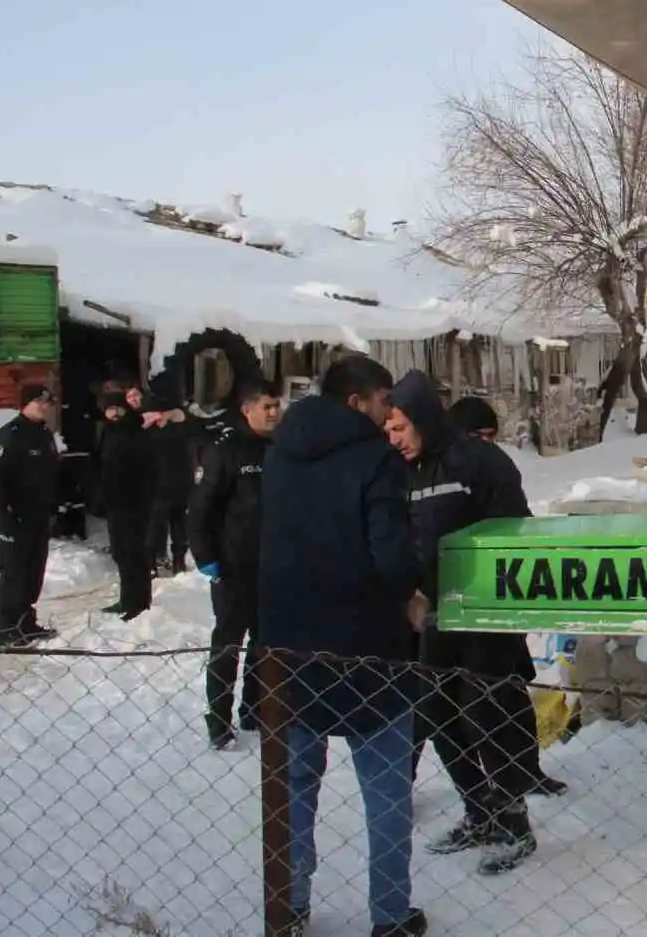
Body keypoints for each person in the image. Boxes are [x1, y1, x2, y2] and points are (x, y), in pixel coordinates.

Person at [257, 356, 428, 937]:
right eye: (383, 401)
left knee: (294, 789)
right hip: (367, 651)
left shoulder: (279, 454)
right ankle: (391, 916)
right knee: (386, 793)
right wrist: (412, 587)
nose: (388, 415)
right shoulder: (376, 460)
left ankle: (289, 905)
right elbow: (392, 558)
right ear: (357, 401)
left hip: (288, 653)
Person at [386, 371, 561, 875]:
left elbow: (514, 534)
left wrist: (487, 593)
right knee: (439, 715)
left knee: (484, 714)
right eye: (388, 429)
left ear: (420, 418)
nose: (392, 438)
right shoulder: (403, 471)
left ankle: (513, 822)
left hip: (485, 610)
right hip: (434, 615)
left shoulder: (479, 461)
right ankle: (479, 810)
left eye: (399, 427)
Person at [188, 380, 281, 750]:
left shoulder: (280, 449)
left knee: (265, 642)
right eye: (267, 407)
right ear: (247, 410)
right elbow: (200, 509)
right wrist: (207, 557)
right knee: (228, 644)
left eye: (277, 406)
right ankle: (218, 720)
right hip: (232, 567)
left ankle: (254, 708)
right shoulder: (225, 450)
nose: (274, 412)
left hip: (272, 567)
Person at [0, 385, 60, 646]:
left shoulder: (44, 434)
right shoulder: (9, 435)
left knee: (33, 574)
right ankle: (5, 629)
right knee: (14, 574)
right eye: (39, 401)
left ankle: (25, 623)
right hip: (15, 517)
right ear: (24, 404)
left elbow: (51, 474)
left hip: (39, 517)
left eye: (48, 402)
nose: (44, 406)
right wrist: (1, 515)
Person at [97, 390, 156, 621]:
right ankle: (127, 598)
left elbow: (148, 471)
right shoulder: (108, 433)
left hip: (135, 504)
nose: (113, 413)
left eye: (117, 408)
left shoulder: (136, 434)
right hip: (116, 504)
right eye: (109, 409)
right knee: (121, 553)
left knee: (134, 553)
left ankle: (139, 602)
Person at [145, 392, 196, 576]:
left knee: (158, 524)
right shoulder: (183, 427)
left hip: (162, 484)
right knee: (177, 524)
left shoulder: (152, 431)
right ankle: (177, 562)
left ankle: (154, 562)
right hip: (180, 483)